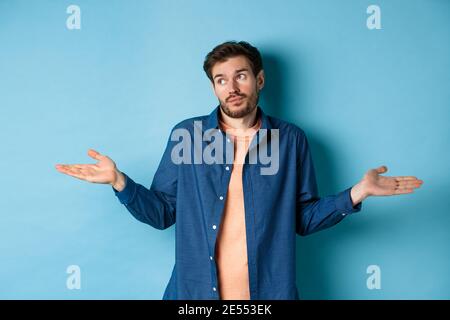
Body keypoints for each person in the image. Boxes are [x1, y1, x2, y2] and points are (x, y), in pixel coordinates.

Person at [55, 41, 423, 300]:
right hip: (195, 293)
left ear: (259, 80)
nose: (231, 87)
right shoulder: (188, 135)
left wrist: (357, 193)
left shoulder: (291, 139)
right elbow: (163, 213)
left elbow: (303, 219)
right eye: (220, 79)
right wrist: (120, 183)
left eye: (241, 76)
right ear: (213, 87)